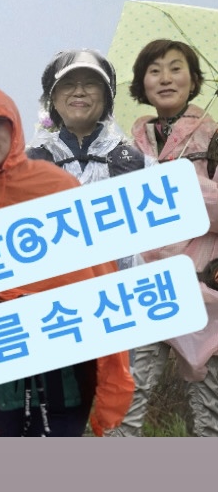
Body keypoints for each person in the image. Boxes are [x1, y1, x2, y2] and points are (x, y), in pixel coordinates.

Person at [0, 84, 133, 436]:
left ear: (11, 128)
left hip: (65, 356)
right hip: (0, 362)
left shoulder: (55, 185)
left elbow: (96, 273)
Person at [109, 38, 218, 437]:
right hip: (145, 282)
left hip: (201, 284)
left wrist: (176, 187)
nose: (166, 78)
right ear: (142, 83)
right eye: (154, 70)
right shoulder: (128, 148)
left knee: (209, 405)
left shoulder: (214, 138)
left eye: (176, 68)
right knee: (126, 395)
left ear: (194, 79)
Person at [27, 49, 153, 269]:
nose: (79, 92)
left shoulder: (137, 163)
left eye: (91, 84)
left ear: (106, 96)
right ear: (53, 97)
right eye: (68, 84)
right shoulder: (29, 164)